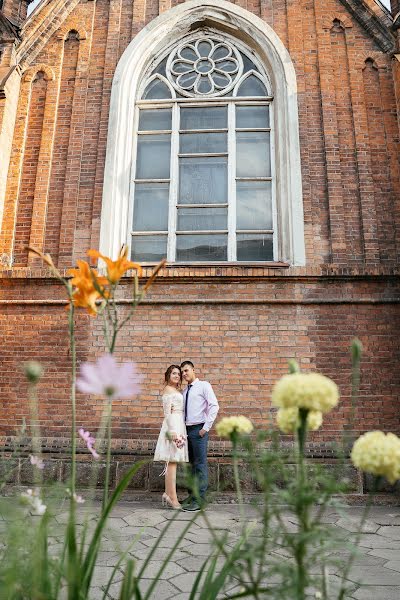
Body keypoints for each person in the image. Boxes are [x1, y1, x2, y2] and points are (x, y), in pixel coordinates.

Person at [180, 360, 219, 512]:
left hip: (199, 430)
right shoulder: (184, 392)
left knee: (200, 465)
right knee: (190, 466)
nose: (184, 373)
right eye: (182, 371)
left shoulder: (204, 385)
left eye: (186, 370)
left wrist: (206, 428)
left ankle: (200, 500)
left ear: (193, 370)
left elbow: (214, 405)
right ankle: (192, 496)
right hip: (186, 431)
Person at [154, 365, 188, 509]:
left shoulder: (176, 390)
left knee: (172, 462)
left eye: (178, 374)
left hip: (179, 422)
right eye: (174, 373)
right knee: (171, 461)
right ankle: (172, 497)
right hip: (173, 425)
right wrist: (173, 433)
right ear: (168, 375)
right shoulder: (168, 390)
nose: (177, 376)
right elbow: (167, 413)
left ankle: (169, 494)